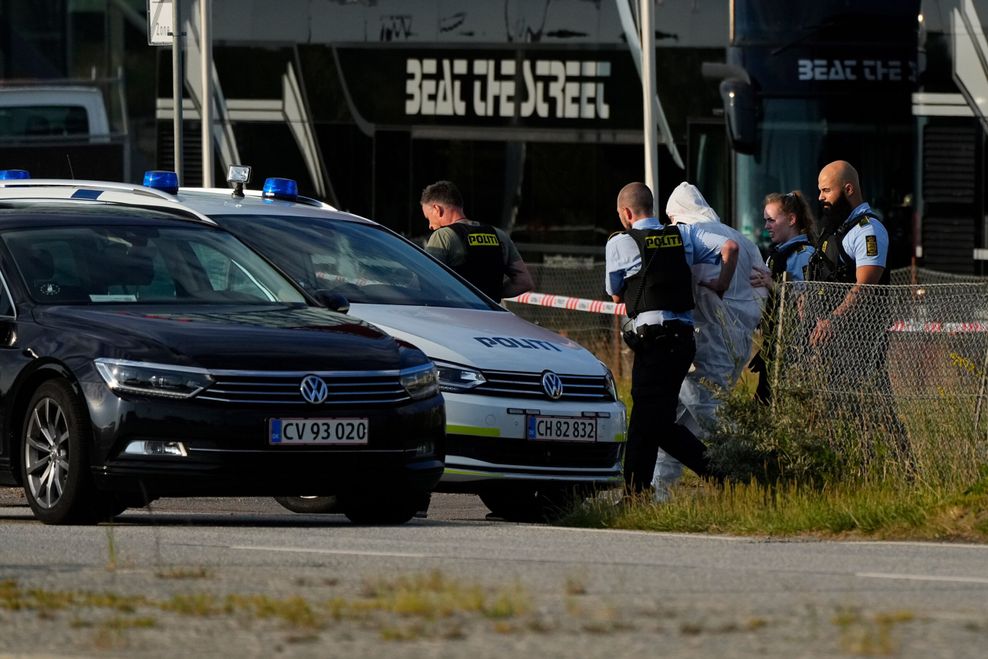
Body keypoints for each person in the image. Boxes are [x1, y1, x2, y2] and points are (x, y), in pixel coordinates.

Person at [605, 181, 738, 495]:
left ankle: (721, 475)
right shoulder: (683, 234)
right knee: (653, 419)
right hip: (682, 342)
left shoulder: (620, 242)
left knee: (649, 421)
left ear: (626, 213)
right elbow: (730, 248)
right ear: (651, 208)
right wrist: (721, 283)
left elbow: (614, 295)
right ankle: (639, 493)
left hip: (654, 342)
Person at [650, 182, 767, 501]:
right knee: (678, 422)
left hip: (704, 340)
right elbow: (762, 288)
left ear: (675, 214)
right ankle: (659, 491)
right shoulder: (742, 237)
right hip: (737, 342)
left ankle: (752, 476)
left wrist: (718, 292)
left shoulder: (689, 234)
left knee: (707, 415)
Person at [748, 190, 816, 403]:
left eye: (772, 220)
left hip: (793, 346)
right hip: (774, 342)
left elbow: (807, 300)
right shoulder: (776, 255)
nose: (766, 226)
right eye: (765, 220)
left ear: (792, 219)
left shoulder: (805, 255)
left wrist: (772, 284)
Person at [420, 180, 533, 300]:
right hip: (492, 315)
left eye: (428, 218)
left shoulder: (443, 236)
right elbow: (524, 282)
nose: (430, 226)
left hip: (458, 314)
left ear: (437, 209)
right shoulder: (499, 235)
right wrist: (487, 298)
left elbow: (427, 284)